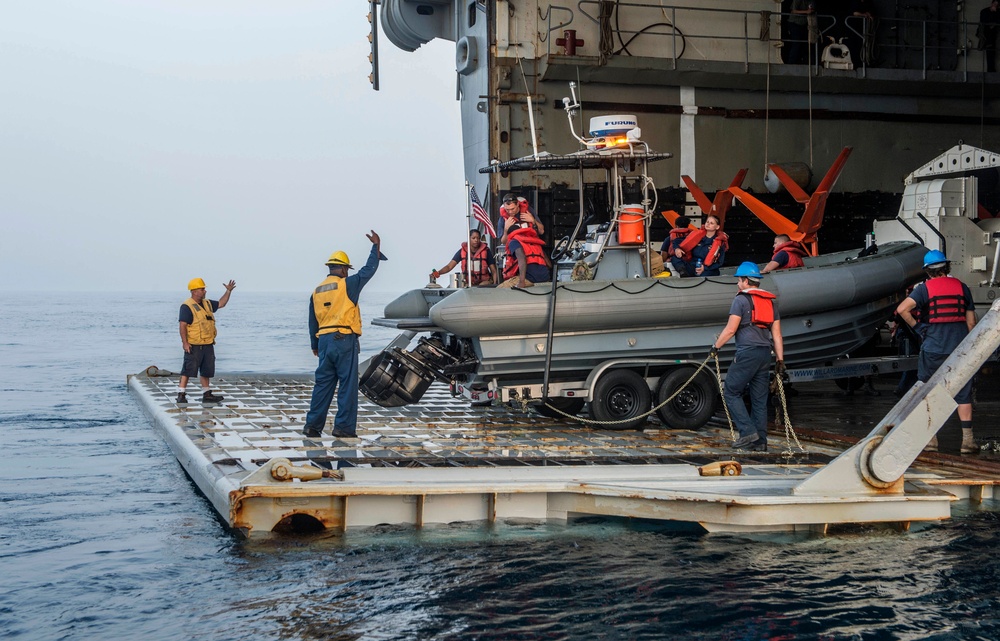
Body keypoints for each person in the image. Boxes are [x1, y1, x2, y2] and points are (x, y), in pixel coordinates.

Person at [303, 231, 386, 439]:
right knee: (347, 386)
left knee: (323, 385)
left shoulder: (317, 290)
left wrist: (315, 344)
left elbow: (312, 320)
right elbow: (368, 270)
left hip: (324, 341)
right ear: (341, 268)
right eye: (347, 269)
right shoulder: (347, 285)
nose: (348, 272)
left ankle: (312, 427)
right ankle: (343, 429)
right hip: (343, 340)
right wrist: (375, 247)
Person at [895, 249, 978, 453]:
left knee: (928, 391)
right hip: (958, 349)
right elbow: (971, 323)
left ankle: (931, 440)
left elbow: (902, 310)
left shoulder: (924, 290)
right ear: (946, 267)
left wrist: (919, 328)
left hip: (933, 348)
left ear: (928, 271)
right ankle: (967, 441)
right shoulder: (962, 287)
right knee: (963, 394)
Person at [710, 262, 784, 452]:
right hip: (764, 354)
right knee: (759, 399)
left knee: (731, 392)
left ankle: (747, 432)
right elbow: (776, 334)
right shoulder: (769, 301)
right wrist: (780, 360)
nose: (737, 284)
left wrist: (715, 347)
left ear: (745, 280)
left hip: (748, 352)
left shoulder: (740, 301)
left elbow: (731, 329)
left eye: (739, 280)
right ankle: (760, 442)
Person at [177, 277, 236, 404]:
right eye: (202, 289)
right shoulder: (187, 306)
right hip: (193, 344)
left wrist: (228, 291)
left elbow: (221, 303)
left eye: (204, 289)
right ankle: (181, 394)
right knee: (188, 370)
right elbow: (183, 325)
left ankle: (207, 393)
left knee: (206, 370)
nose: (205, 291)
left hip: (208, 344)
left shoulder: (207, 303)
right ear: (194, 291)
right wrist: (185, 343)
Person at [431, 229, 497, 286]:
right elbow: (449, 266)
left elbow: (493, 271)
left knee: (481, 285)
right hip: (467, 283)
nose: (476, 240)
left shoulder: (486, 251)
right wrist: (439, 272)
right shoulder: (462, 251)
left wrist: (495, 284)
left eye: (478, 238)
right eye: (473, 238)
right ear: (469, 239)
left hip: (484, 283)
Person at [785, 0, 815, 65]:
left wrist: (810, 11)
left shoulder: (811, 1)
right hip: (794, 23)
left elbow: (812, 8)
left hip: (805, 24)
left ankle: (806, 62)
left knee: (806, 44)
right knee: (796, 43)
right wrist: (806, 12)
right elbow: (793, 11)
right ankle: (791, 63)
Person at [981, 0, 1000, 72]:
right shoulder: (984, 11)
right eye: (995, 4)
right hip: (986, 34)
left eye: (997, 5)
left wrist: (995, 13)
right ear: (991, 4)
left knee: (992, 52)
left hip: (993, 35)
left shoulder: (997, 12)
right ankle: (990, 69)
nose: (996, 6)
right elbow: (983, 22)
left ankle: (991, 69)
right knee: (990, 51)